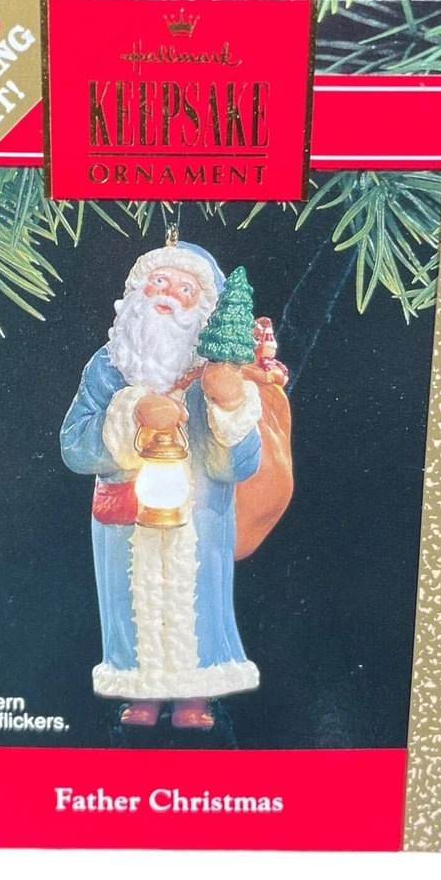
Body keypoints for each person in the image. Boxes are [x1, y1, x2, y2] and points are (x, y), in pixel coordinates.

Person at [60, 242, 262, 728]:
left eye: (185, 288)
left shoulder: (215, 376)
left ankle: (196, 694)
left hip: (200, 520)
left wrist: (228, 405)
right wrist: (132, 416)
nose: (168, 295)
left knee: (199, 601)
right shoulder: (108, 366)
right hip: (127, 519)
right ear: (137, 292)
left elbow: (240, 465)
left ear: (204, 309)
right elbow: (74, 444)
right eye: (159, 282)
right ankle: (141, 690)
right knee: (130, 600)